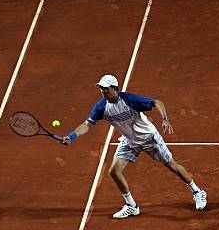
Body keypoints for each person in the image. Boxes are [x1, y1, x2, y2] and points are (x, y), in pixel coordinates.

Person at [61, 74, 207, 218]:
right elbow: (87, 125)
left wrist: (165, 119)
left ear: (115, 88)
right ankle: (132, 206)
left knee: (171, 165)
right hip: (129, 141)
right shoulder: (101, 106)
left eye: (106, 88)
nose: (102, 91)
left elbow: (157, 102)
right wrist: (72, 136)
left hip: (148, 138)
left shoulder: (129, 100)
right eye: (101, 88)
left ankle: (197, 191)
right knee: (114, 171)